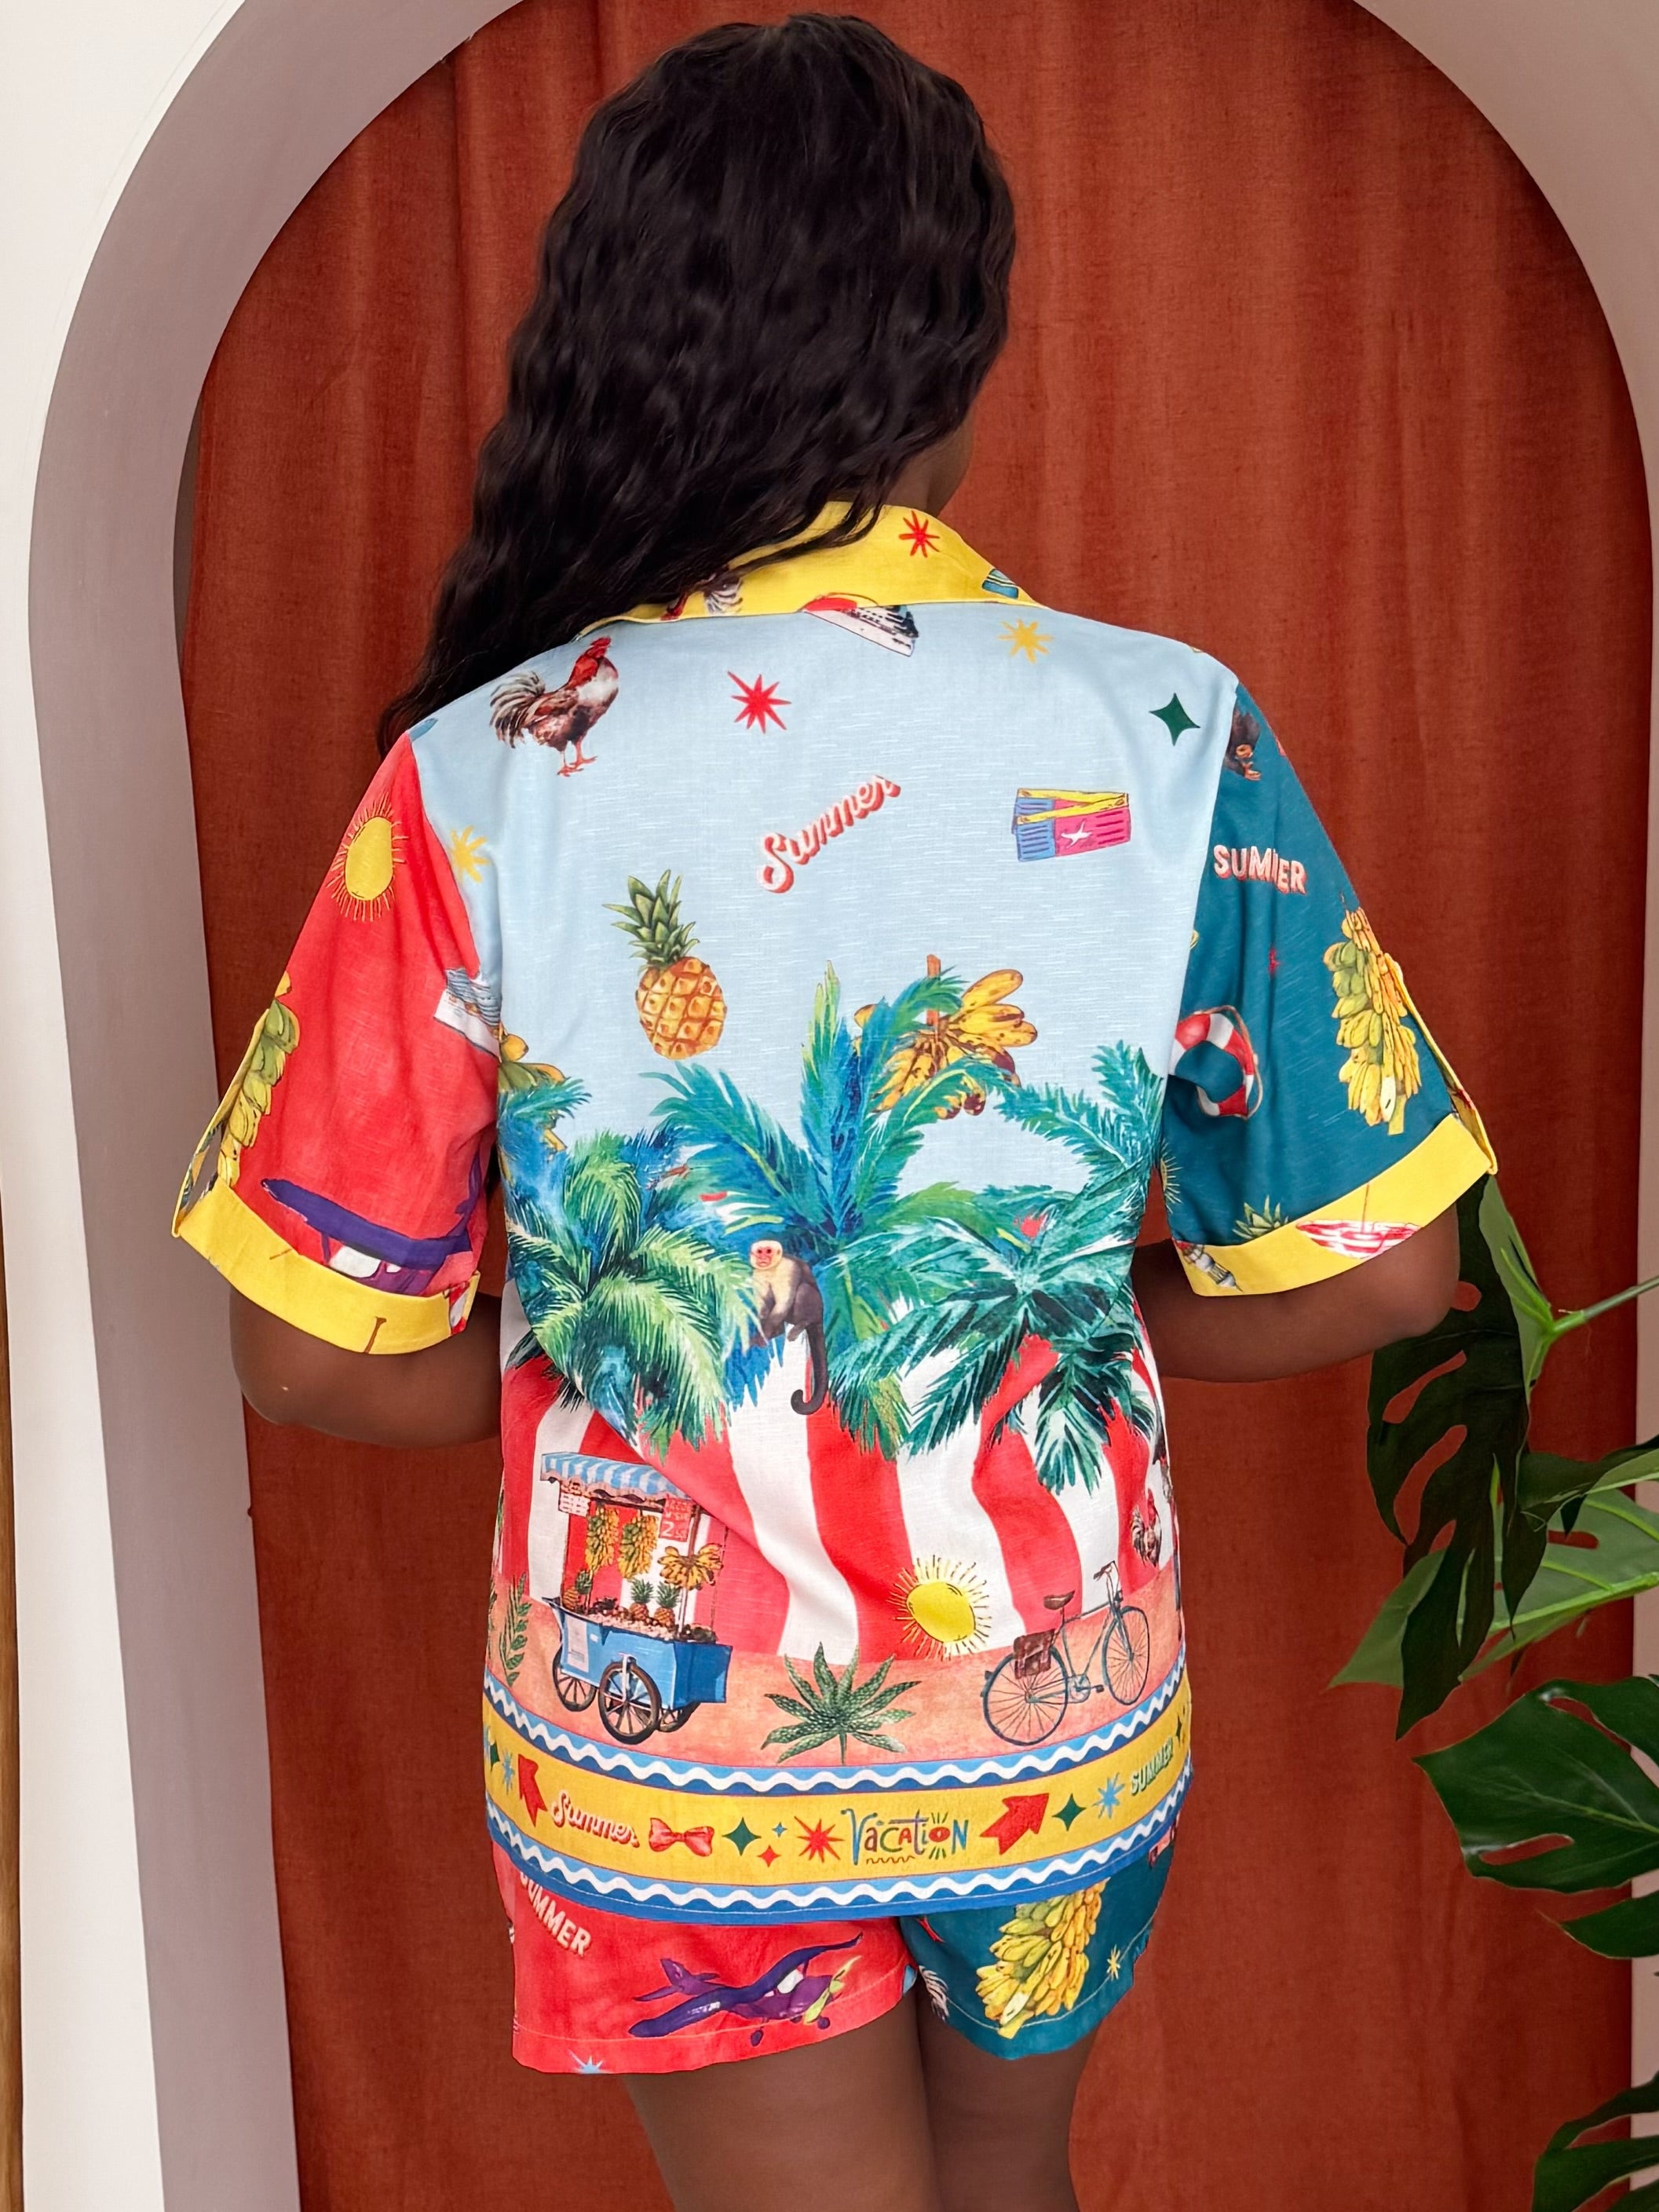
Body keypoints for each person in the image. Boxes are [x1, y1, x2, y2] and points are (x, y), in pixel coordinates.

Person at [173, 17, 1493, 2211]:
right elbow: (1387, 1272)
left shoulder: (488, 774)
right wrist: (1048, 1327)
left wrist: (630, 1367)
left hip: (674, 1757)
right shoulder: (1171, 732)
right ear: (955, 350)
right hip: (1051, 1714)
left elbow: (305, 1349)